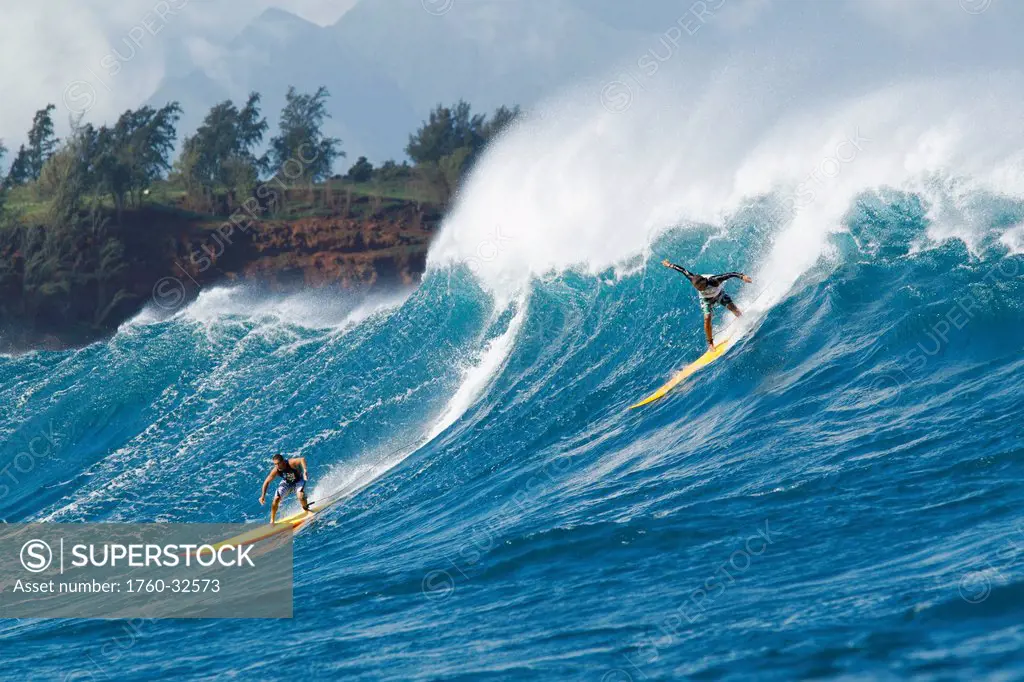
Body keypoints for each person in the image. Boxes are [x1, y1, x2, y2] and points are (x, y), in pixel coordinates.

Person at [661, 260, 752, 350]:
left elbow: (730, 274)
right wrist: (669, 265)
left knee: (733, 308)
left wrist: (742, 276)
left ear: (704, 283)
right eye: (697, 288)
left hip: (719, 294)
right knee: (707, 318)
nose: (699, 290)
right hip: (706, 299)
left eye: (700, 288)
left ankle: (744, 321)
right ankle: (710, 343)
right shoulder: (692, 278)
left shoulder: (714, 280)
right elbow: (682, 270)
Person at [259, 453, 311, 523]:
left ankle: (307, 511)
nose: (277, 466)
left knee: (300, 496)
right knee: (276, 499)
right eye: (275, 464)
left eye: (278, 463)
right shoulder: (276, 470)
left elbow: (302, 459)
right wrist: (263, 496)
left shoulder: (291, 463)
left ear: (283, 461)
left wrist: (305, 470)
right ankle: (272, 520)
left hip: (298, 481)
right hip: (287, 483)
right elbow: (266, 482)